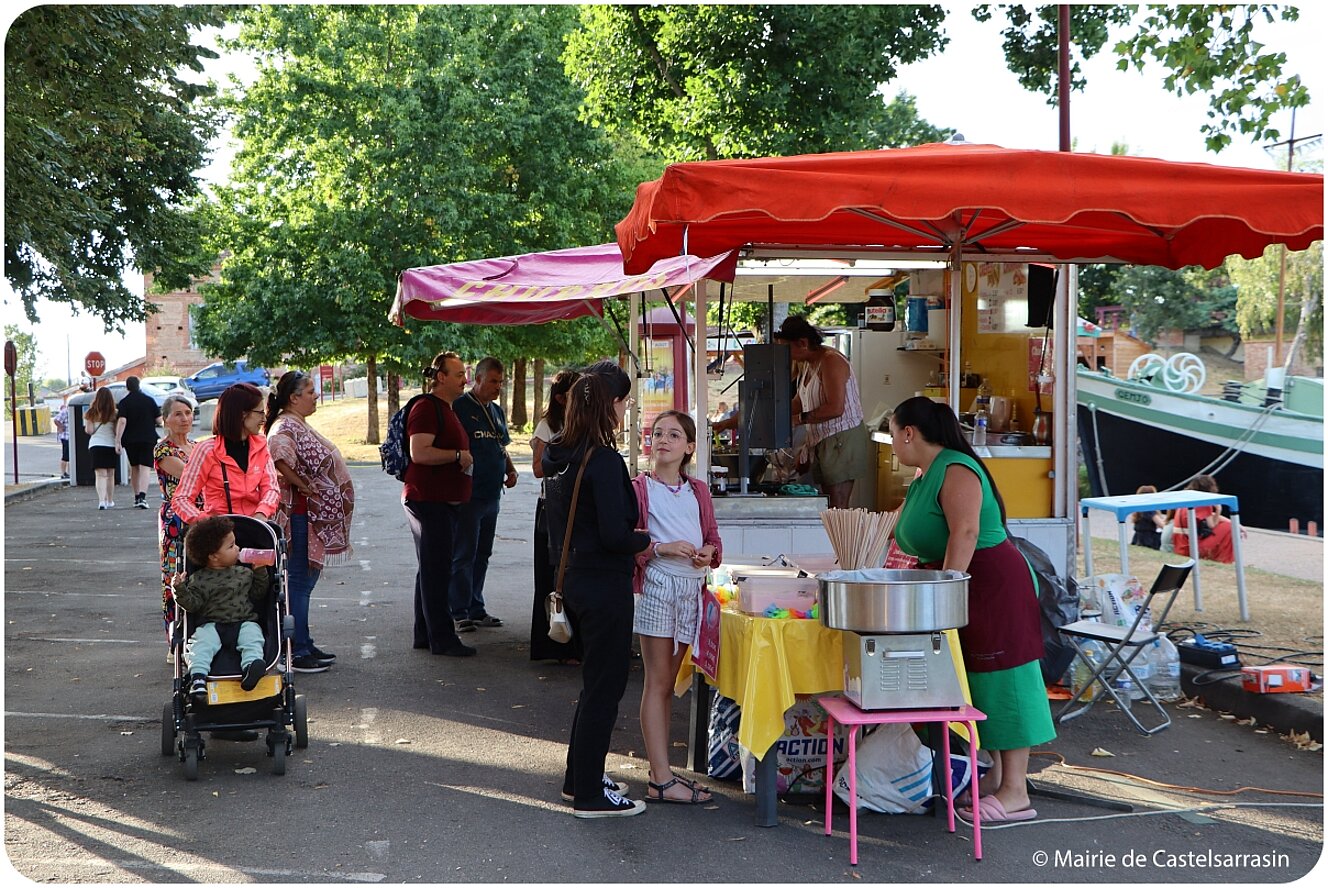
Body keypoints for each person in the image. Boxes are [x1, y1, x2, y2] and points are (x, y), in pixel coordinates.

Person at [888, 396, 1055, 823]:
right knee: (976, 681)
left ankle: (1016, 791)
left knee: (1006, 679)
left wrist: (944, 592)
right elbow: (901, 526)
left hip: (990, 586)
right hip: (961, 586)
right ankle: (997, 777)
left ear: (909, 433)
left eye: (893, 435)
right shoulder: (926, 474)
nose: (892, 446)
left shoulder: (956, 468)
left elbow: (964, 532)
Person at [542, 361, 651, 818]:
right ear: (609, 407)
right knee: (604, 689)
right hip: (604, 586)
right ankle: (588, 792)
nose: (625, 411)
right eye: (623, 403)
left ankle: (579, 777)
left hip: (573, 583)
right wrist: (647, 540)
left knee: (594, 687)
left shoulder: (559, 454)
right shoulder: (603, 461)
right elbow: (615, 534)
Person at [630, 410, 722, 805]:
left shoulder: (698, 490)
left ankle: (660, 771)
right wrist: (660, 548)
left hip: (691, 589)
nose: (662, 440)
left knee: (669, 686)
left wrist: (707, 553)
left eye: (673, 434)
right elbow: (629, 542)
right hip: (657, 587)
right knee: (658, 681)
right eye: (657, 433)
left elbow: (714, 540)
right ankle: (662, 778)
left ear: (689, 447)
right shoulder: (639, 488)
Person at [265, 371, 356, 673]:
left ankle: (303, 640)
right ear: (293, 397)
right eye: (310, 391)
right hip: (300, 514)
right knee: (300, 581)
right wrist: (302, 485)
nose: (316, 395)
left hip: (311, 515)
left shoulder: (296, 422)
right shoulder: (285, 425)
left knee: (305, 581)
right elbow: (277, 456)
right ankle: (297, 649)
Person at [403, 352, 477, 658]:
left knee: (432, 569)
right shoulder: (426, 407)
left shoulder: (448, 408)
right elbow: (419, 453)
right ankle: (442, 638)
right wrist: (458, 456)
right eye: (459, 374)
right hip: (428, 499)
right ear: (441, 377)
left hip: (441, 500)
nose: (465, 380)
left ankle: (426, 632)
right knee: (437, 570)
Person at [772, 316, 871, 508]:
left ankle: (841, 539)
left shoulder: (831, 361)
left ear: (802, 343)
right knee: (828, 502)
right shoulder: (808, 364)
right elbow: (800, 402)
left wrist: (799, 420)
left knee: (837, 504)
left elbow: (835, 407)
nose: (785, 354)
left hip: (841, 438)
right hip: (823, 439)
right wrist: (773, 413)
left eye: (787, 348)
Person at [450, 356, 518, 632]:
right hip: (469, 494)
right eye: (492, 381)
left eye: (501, 382)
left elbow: (502, 445)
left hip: (493, 494)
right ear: (476, 379)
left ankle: (476, 606)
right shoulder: (460, 407)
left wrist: (511, 469)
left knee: (483, 552)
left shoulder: (497, 411)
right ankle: (459, 609)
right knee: (464, 552)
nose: (497, 387)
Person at [172, 516, 269, 701]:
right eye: (231, 546)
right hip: (212, 624)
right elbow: (193, 604)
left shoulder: (244, 573)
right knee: (200, 644)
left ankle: (252, 667)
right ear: (214, 556)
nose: (238, 549)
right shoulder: (199, 579)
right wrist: (180, 589)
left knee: (253, 636)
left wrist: (259, 571)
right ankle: (198, 677)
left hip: (243, 621)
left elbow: (258, 594)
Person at [530, 369, 583, 664]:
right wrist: (563, 456)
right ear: (562, 398)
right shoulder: (547, 426)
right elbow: (538, 468)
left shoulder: (583, 423)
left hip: (576, 508)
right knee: (551, 576)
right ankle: (554, 644)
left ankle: (577, 643)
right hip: (552, 508)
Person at [172, 382, 280, 523]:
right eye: (260, 413)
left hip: (256, 529)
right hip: (219, 536)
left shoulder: (261, 445)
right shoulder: (207, 450)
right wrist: (208, 523)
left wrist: (261, 514)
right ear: (242, 414)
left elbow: (272, 489)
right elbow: (181, 499)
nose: (264, 419)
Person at [154, 394, 199, 656]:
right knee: (175, 575)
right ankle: (176, 640)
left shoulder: (196, 445)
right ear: (166, 419)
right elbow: (189, 476)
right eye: (178, 414)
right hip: (176, 518)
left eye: (188, 412)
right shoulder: (164, 450)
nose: (185, 418)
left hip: (201, 515)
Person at [115, 376, 162, 509]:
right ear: (139, 385)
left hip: (130, 440)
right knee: (145, 467)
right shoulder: (149, 400)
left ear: (127, 387)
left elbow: (122, 421)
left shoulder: (124, 402)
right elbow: (159, 420)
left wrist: (118, 440)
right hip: (148, 438)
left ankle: (136, 497)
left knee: (134, 467)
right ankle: (142, 496)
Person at [1171, 474, 1236, 563]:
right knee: (1228, 527)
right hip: (1190, 546)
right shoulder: (1203, 503)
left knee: (1227, 525)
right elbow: (1212, 524)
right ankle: (1223, 559)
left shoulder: (1186, 500)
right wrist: (1218, 509)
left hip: (1179, 543)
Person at [83, 387, 119, 509]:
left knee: (100, 475)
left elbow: (89, 431)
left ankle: (101, 501)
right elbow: (116, 431)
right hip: (110, 445)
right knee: (110, 474)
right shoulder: (115, 413)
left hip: (96, 445)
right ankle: (110, 500)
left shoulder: (90, 413)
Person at [1131, 484, 1165, 550]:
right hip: (1149, 539)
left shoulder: (1139, 510)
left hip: (1138, 538)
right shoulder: (1149, 510)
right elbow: (1162, 525)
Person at [53, 401, 70, 479]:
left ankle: (68, 472)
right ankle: (63, 473)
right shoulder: (65, 412)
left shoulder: (67, 411)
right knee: (65, 456)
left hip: (69, 436)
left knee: (70, 456)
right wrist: (61, 426)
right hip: (66, 436)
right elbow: (56, 420)